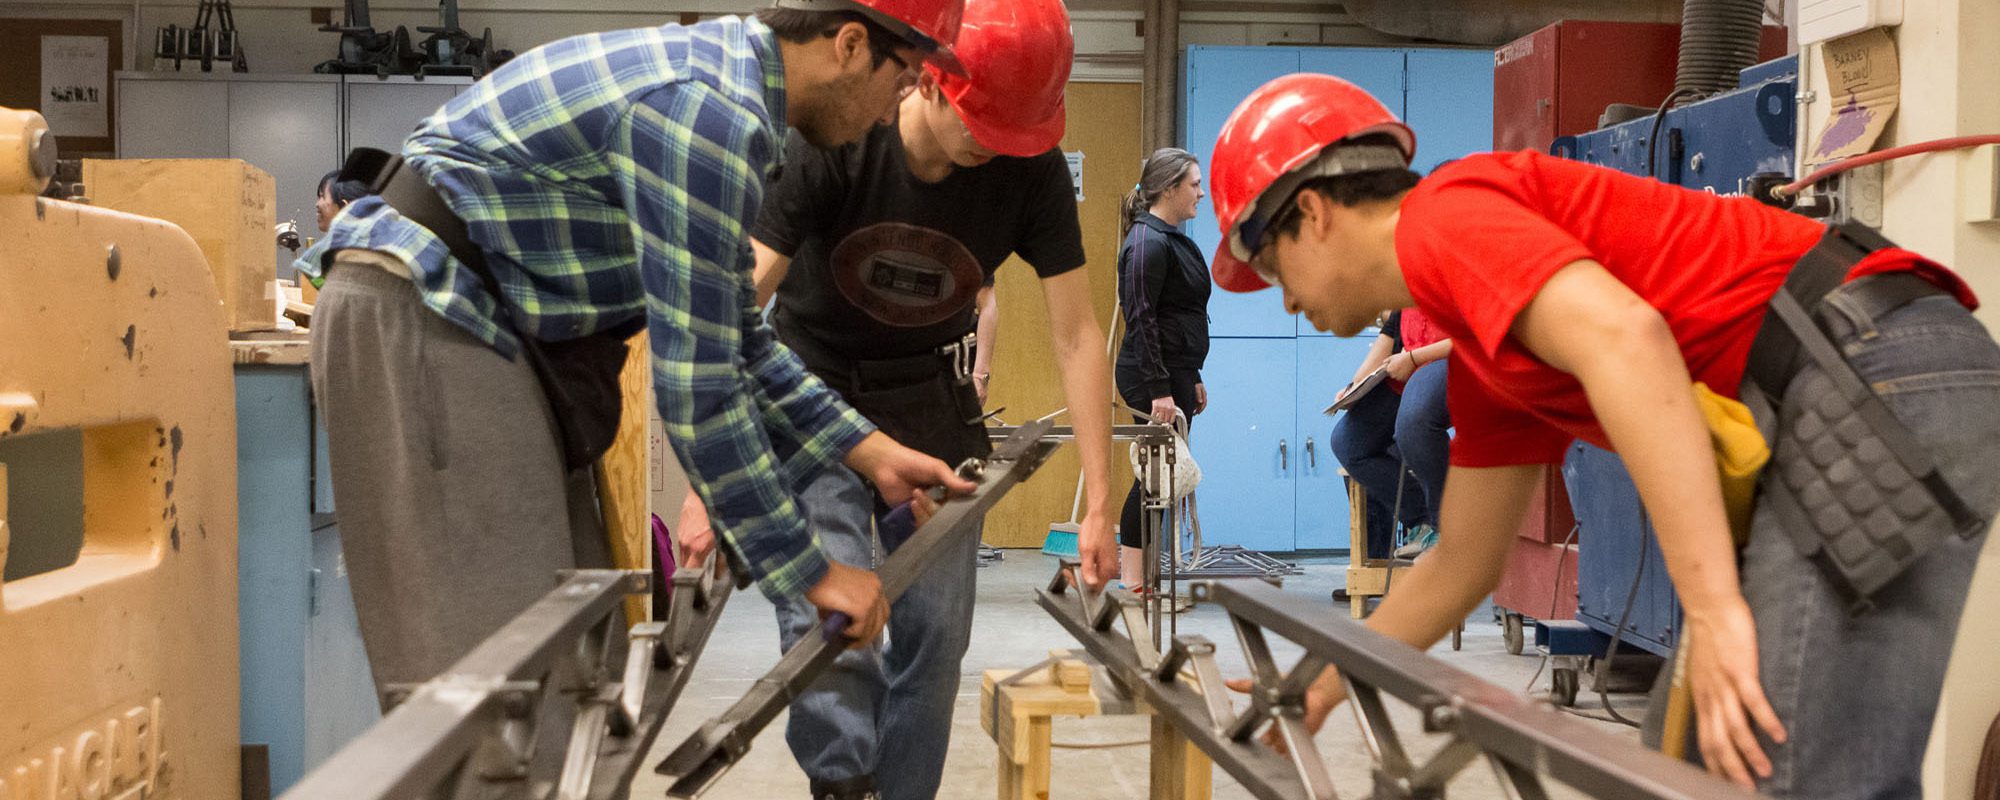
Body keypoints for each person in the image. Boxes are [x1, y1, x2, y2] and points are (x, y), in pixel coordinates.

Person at [1206, 72, 1999, 798]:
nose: (1283, 305)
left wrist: (1715, 609)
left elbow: (1629, 339)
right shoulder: (1486, 332)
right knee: (1692, 763)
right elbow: (1465, 558)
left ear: (1311, 213)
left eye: (1273, 271)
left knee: (1780, 765)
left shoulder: (1442, 218)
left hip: (1873, 367)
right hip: (1855, 374)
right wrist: (1328, 679)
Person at [301, 4, 978, 792]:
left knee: (576, 674)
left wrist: (869, 450)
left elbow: (739, 335)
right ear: (851, 45)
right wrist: (809, 569)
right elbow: (700, 388)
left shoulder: (731, 102)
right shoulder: (710, 112)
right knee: (502, 710)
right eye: (907, 76)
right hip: (428, 311)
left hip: (489, 327)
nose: (894, 110)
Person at [678, 2, 1112, 797]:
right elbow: (732, 307)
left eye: (1016, 134)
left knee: (935, 635)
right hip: (811, 395)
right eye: (985, 125)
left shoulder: (1029, 167)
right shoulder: (836, 139)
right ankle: (842, 787)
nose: (997, 150)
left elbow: (1079, 335)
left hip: (933, 404)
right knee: (833, 610)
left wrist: (1101, 505)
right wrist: (710, 475)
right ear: (932, 79)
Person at [1113, 147, 1211, 589]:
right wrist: (1160, 391)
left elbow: (1180, 313)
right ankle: (1133, 579)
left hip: (1175, 375)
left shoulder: (1171, 238)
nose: (1202, 193)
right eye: (1194, 184)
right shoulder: (1145, 243)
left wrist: (1192, 376)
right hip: (1149, 377)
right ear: (1170, 188)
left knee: (1165, 480)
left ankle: (1144, 575)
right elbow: (1143, 321)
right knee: (1153, 479)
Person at [1329, 307, 1451, 562]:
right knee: (1349, 443)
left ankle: (1446, 529)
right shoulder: (1403, 290)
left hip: (1443, 365)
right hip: (1404, 373)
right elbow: (1386, 340)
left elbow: (1471, 338)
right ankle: (1421, 519)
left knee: (1412, 427)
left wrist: (1414, 358)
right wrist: (1353, 389)